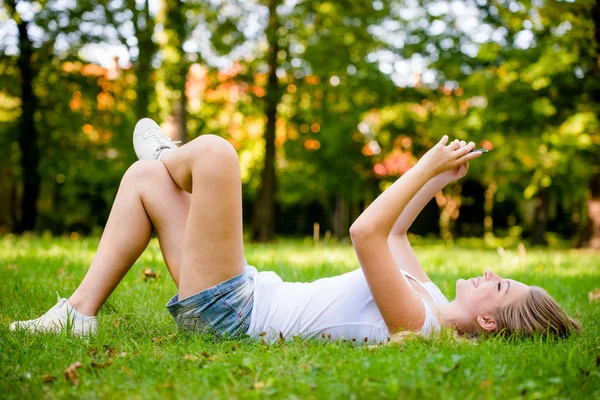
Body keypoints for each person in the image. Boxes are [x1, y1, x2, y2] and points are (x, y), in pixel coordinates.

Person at [10, 119, 580, 342]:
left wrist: (422, 167)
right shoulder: (425, 297)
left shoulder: (421, 324)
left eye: (499, 285)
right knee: (143, 182)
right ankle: (78, 315)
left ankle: (174, 156)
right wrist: (437, 183)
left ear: (487, 319)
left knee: (216, 156)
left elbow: (367, 234)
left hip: (233, 316)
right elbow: (398, 237)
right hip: (240, 298)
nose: (489, 273)